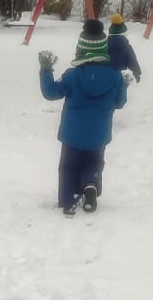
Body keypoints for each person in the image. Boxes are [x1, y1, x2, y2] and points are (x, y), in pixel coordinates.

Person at [39, 19, 128, 216]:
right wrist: (124, 86)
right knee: (94, 163)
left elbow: (51, 93)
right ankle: (90, 185)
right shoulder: (115, 77)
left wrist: (45, 70)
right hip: (99, 134)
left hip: (72, 134)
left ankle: (68, 200)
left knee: (69, 166)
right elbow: (119, 102)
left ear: (81, 50)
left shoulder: (72, 76)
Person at [107, 13, 142, 83]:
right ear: (124, 34)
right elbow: (132, 61)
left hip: (106, 76)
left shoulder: (104, 45)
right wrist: (137, 73)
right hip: (120, 77)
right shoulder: (127, 47)